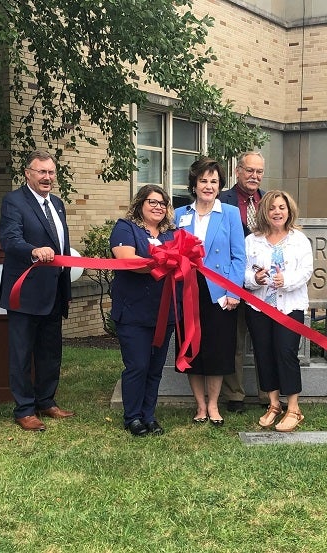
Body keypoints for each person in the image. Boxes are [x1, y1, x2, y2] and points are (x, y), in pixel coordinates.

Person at [0, 150, 73, 432]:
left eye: (51, 172)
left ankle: (46, 400)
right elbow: (10, 239)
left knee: (50, 351)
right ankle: (25, 409)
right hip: (25, 292)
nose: (47, 177)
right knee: (21, 354)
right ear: (28, 174)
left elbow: (62, 247)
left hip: (54, 289)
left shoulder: (57, 203)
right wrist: (33, 250)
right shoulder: (13, 201)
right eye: (41, 172)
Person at [174, 157, 245, 426]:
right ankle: (200, 406)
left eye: (213, 181)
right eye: (203, 180)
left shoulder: (228, 213)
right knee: (192, 347)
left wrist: (233, 291)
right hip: (187, 291)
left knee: (217, 350)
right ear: (194, 184)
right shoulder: (180, 215)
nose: (208, 185)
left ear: (219, 185)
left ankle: (214, 405)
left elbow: (239, 257)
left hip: (219, 293)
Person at [110, 185, 176, 437]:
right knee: (137, 365)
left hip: (164, 312)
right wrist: (163, 263)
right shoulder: (125, 228)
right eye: (153, 201)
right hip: (133, 312)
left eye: (163, 203)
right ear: (140, 203)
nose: (158, 207)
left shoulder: (172, 233)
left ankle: (149, 415)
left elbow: (182, 260)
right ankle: (133, 417)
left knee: (155, 368)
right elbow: (127, 260)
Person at [244, 190, 313, 432]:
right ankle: (274, 404)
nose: (277, 212)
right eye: (272, 208)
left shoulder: (299, 239)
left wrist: (287, 280)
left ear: (289, 210)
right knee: (264, 354)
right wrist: (255, 278)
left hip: (289, 307)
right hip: (259, 306)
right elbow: (243, 272)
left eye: (282, 207)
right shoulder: (253, 240)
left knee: (286, 352)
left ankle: (293, 408)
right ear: (265, 211)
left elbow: (306, 270)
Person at [219, 152, 266, 413]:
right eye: (249, 170)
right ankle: (234, 395)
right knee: (234, 342)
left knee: (262, 340)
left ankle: (266, 393)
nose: (254, 176)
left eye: (259, 172)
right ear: (238, 171)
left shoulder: (268, 200)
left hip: (262, 285)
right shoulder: (222, 200)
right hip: (232, 281)